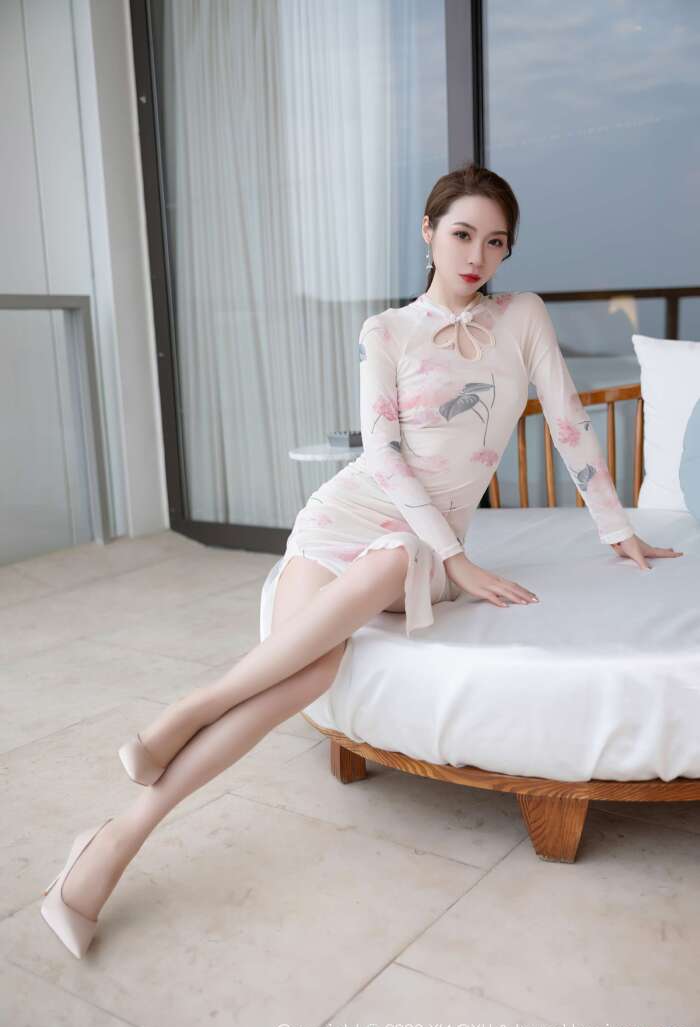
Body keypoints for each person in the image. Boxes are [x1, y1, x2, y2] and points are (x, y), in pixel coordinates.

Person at [41, 162, 683, 957]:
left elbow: (568, 422)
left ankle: (192, 708)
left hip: (418, 544)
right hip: (342, 517)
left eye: (495, 242)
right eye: (461, 234)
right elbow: (381, 454)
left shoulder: (522, 317)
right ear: (428, 232)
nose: (476, 255)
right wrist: (456, 558)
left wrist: (614, 530)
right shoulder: (386, 331)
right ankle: (113, 843)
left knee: (385, 566)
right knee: (303, 671)